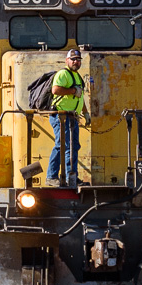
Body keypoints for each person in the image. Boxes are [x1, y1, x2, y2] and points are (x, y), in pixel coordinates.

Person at [47, 47, 85, 186]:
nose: (76, 62)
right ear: (67, 60)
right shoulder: (63, 73)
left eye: (78, 60)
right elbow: (56, 90)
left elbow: (80, 97)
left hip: (72, 117)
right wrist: (73, 90)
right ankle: (51, 176)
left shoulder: (77, 76)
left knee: (73, 146)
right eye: (73, 59)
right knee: (62, 145)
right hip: (60, 115)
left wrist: (85, 112)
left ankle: (72, 177)